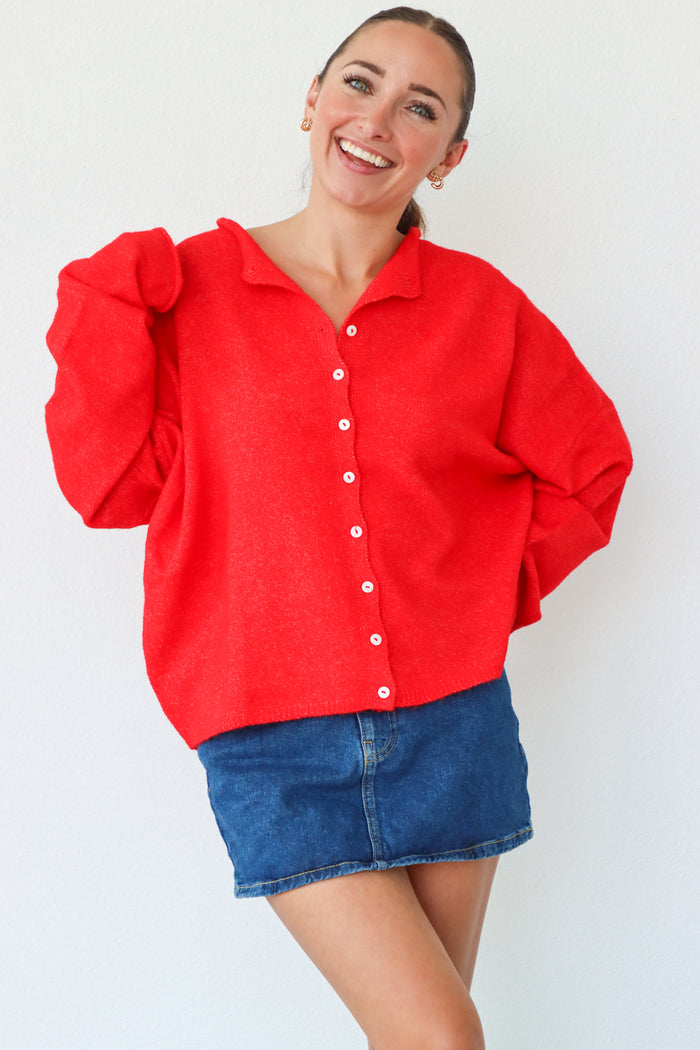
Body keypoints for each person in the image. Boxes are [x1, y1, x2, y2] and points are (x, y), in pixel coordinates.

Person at [45, 7, 632, 1049]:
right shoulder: (188, 294)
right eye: (358, 83)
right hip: (271, 741)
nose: (377, 121)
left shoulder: (482, 310)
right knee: (438, 1035)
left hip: (453, 724)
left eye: (420, 108)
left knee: (419, 1038)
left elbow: (590, 470)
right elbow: (109, 489)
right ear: (311, 101)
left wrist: (473, 593)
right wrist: (106, 300)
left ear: (447, 157)